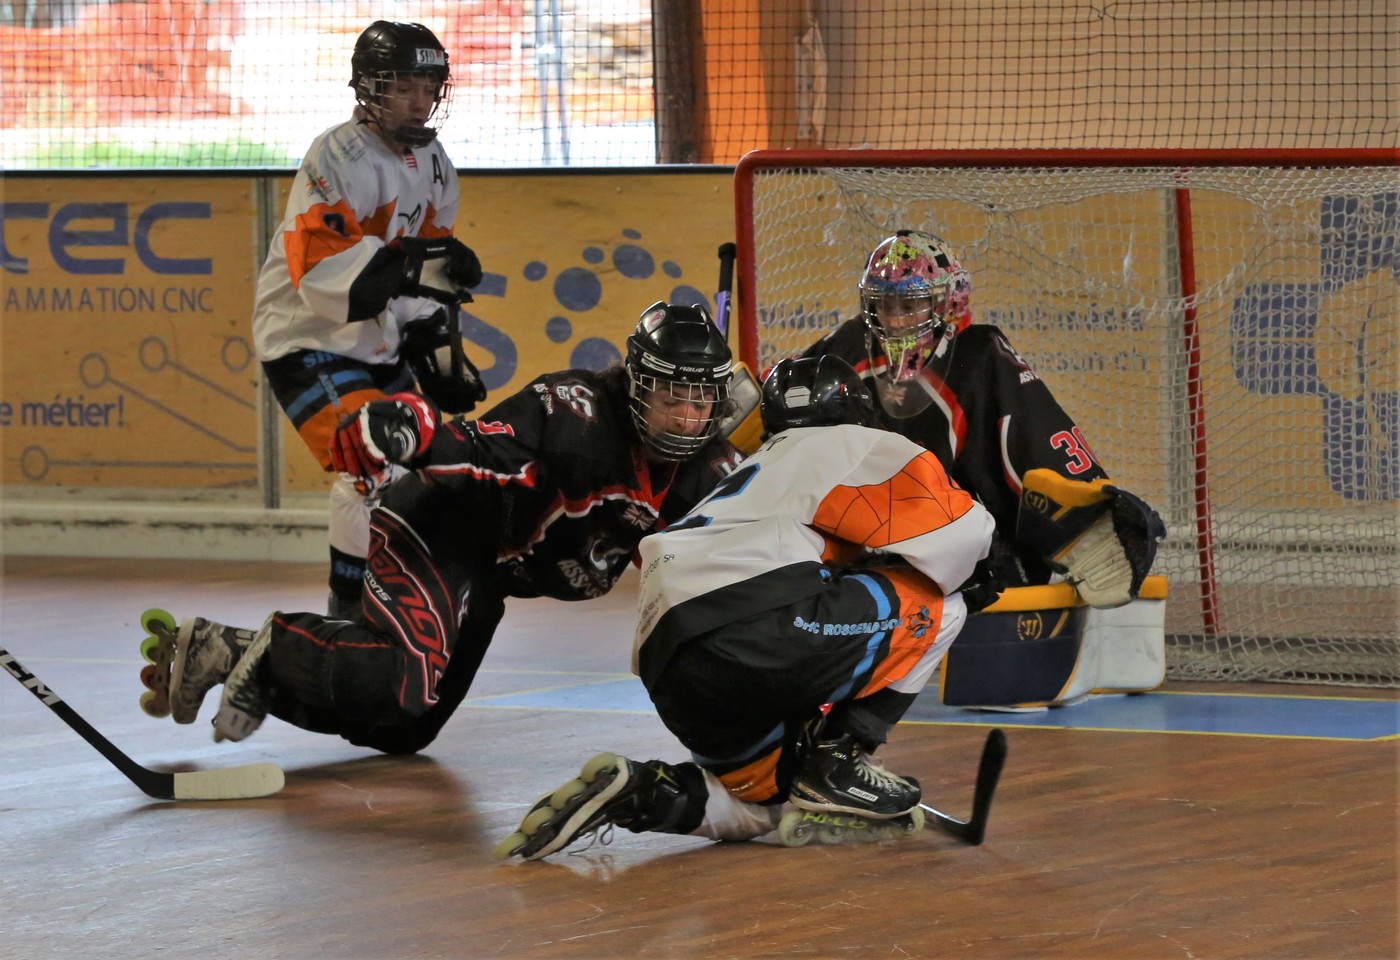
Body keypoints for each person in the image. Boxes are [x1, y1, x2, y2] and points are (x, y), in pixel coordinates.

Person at [151, 302, 741, 754]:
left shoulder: (708, 472)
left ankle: (224, 652)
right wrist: (416, 432)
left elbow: (735, 553)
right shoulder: (575, 412)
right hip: (437, 528)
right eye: (672, 399)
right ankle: (274, 644)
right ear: (637, 385)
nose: (687, 419)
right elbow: (477, 448)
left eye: (701, 403)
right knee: (401, 683)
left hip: (486, 577)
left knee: (405, 728)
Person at [494, 355, 997, 860]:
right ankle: (842, 758)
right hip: (760, 622)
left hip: (668, 663)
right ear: (859, 412)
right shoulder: (862, 443)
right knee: (945, 606)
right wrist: (987, 575)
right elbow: (969, 538)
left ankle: (643, 794)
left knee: (770, 802)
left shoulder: (748, 468)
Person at [793, 230, 1167, 708]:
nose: (895, 319)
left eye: (910, 305)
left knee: (1002, 566)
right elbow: (783, 409)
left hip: (967, 538)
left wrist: (1079, 507)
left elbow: (1036, 434)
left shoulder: (979, 352)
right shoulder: (846, 345)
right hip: (864, 534)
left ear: (948, 302)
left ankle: (1078, 533)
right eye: (884, 305)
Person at [252, 20, 489, 620]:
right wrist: (418, 262)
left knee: (431, 468)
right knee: (371, 461)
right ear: (370, 88)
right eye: (404, 87)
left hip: (376, 343)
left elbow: (421, 278)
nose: (419, 101)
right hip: (308, 337)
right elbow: (327, 278)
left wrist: (434, 344)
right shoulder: (337, 155)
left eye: (428, 87)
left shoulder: (436, 162)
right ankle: (348, 610)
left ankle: (405, 603)